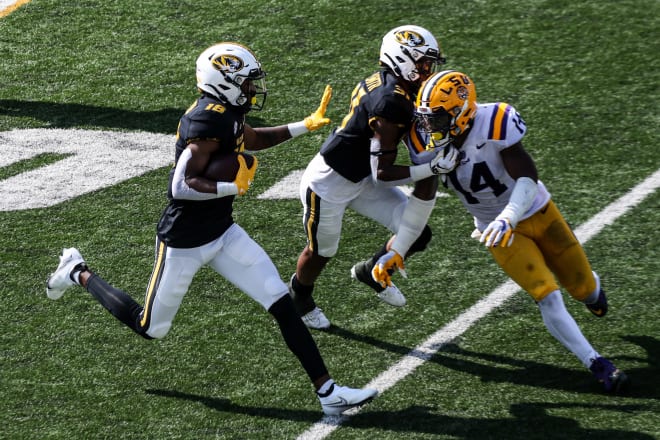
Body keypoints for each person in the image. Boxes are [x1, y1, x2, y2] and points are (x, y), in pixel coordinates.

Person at [45, 42, 378, 415]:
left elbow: (250, 138)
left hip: (222, 232)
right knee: (151, 327)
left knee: (282, 305)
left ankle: (328, 393)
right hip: (184, 240)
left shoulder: (227, 113)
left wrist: (304, 125)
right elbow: (180, 186)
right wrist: (230, 186)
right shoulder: (204, 122)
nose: (253, 89)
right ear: (224, 83)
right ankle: (77, 271)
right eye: (247, 83)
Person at [387, 69, 627, 393]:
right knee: (546, 295)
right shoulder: (422, 141)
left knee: (584, 289)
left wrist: (509, 216)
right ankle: (596, 363)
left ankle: (593, 292)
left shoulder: (495, 121)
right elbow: (420, 191)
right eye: (426, 118)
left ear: (462, 111)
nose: (429, 126)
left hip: (536, 212)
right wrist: (400, 244)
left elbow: (527, 175)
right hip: (495, 230)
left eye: (438, 118)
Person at [289, 25, 457, 329]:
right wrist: (431, 169)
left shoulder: (393, 85)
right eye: (422, 63)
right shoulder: (390, 101)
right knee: (322, 252)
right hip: (329, 184)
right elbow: (384, 174)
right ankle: (299, 295)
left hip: (361, 176)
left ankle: (372, 269)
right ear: (402, 59)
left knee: (416, 232)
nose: (427, 70)